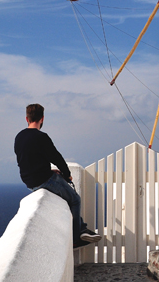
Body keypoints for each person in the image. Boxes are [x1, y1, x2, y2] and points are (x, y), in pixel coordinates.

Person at [14, 103, 101, 248]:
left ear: (26, 118)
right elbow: (57, 158)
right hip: (44, 179)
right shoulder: (41, 137)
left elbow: (28, 159)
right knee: (75, 199)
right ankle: (76, 236)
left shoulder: (19, 137)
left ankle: (82, 227)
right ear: (42, 119)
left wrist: (49, 171)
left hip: (29, 181)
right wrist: (67, 175)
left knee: (67, 196)